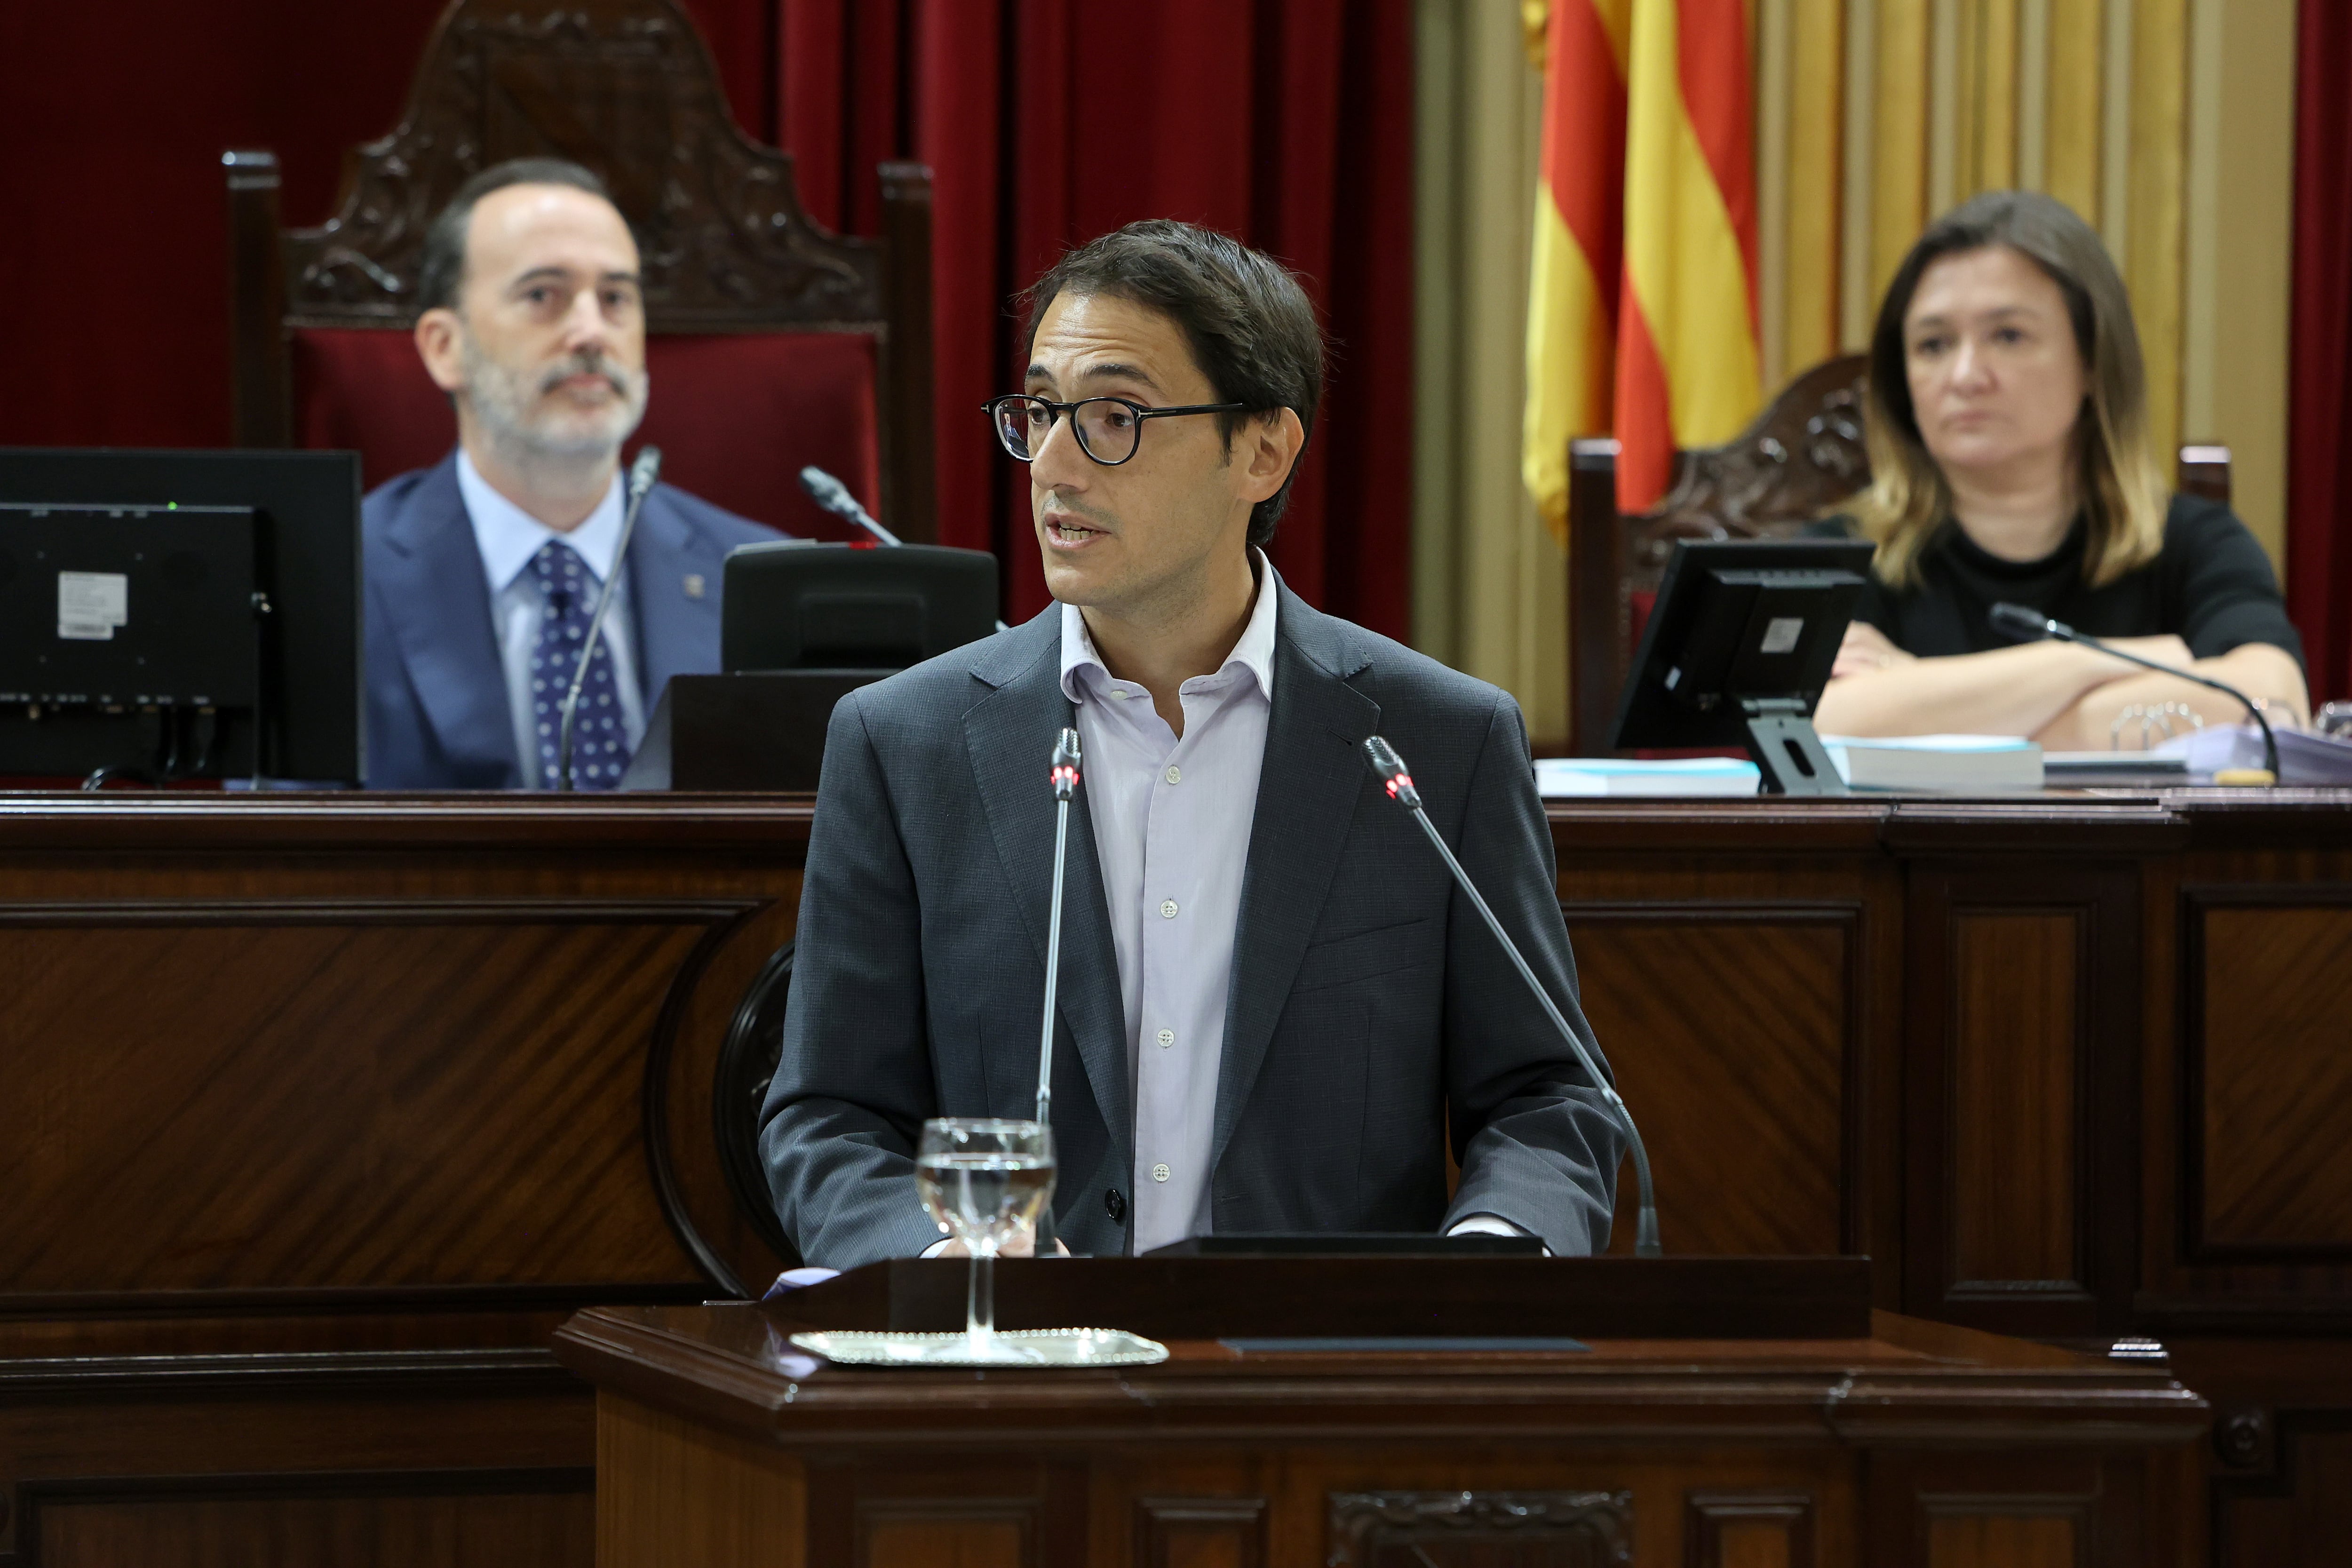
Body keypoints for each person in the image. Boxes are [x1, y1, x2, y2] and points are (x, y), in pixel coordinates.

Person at [761, 220, 1624, 1268]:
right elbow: (827, 1117)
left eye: (1115, 416)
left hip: (1317, 1388)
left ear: (1262, 451)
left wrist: (1490, 1257)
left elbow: (1547, 1096)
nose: (1055, 465)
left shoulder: (1437, 741)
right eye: (1039, 412)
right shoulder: (905, 742)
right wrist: (942, 1261)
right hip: (1022, 1386)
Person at [1812, 190, 2306, 747]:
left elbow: (2271, 701)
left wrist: (1916, 698)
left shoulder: (2194, 543)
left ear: (2093, 362)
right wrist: (2120, 663)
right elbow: (1827, 726)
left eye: (2007, 336)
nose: (1965, 375)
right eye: (1933, 345)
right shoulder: (1834, 557)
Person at [362, 159, 779, 789]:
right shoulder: (339, 578)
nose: (591, 331)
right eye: (542, 296)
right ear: (445, 347)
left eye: (616, 298)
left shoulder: (756, 576)